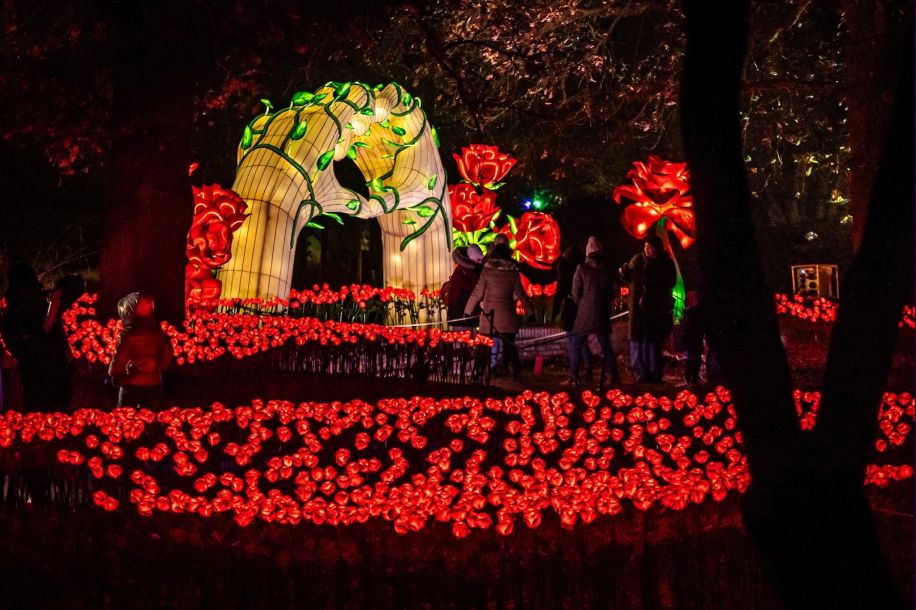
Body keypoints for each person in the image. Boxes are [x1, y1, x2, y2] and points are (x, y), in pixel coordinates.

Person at [465, 243, 534, 381]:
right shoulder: (513, 273)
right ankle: (516, 374)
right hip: (507, 316)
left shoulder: (487, 271)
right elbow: (521, 294)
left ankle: (477, 373)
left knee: (483, 347)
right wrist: (531, 311)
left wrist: (467, 311)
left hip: (489, 316)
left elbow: (477, 293)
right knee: (510, 346)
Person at [619, 235, 677, 383]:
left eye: (650, 247)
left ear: (657, 248)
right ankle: (640, 373)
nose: (647, 250)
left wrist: (655, 289)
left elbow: (671, 282)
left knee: (653, 342)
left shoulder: (665, 263)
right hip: (638, 309)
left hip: (655, 308)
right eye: (645, 247)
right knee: (637, 340)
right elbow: (629, 279)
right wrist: (624, 273)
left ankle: (654, 373)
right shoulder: (637, 260)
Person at [567, 237, 620, 388]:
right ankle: (614, 376)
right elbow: (615, 291)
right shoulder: (608, 270)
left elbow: (575, 292)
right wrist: (605, 301)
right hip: (602, 313)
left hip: (584, 314)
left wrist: (581, 302)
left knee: (576, 346)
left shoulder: (582, 268)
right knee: (606, 347)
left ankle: (575, 377)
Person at [108, 293, 173, 407]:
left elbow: (119, 358)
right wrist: (157, 368)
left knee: (125, 415)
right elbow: (167, 354)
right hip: (153, 382)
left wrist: (114, 372)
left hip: (130, 382)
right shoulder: (158, 334)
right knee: (151, 414)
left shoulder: (128, 336)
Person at [0, 262, 48, 409]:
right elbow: (15, 340)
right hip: (29, 363)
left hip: (46, 363)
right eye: (22, 288)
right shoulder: (13, 313)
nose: (26, 292)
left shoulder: (42, 306)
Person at [42, 274, 85, 409]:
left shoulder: (61, 308)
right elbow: (49, 330)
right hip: (55, 360)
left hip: (61, 359)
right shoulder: (55, 306)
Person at [445, 245, 483, 326]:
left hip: (468, 309)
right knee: (462, 334)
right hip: (462, 308)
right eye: (478, 259)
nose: (480, 262)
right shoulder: (464, 271)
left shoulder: (474, 269)